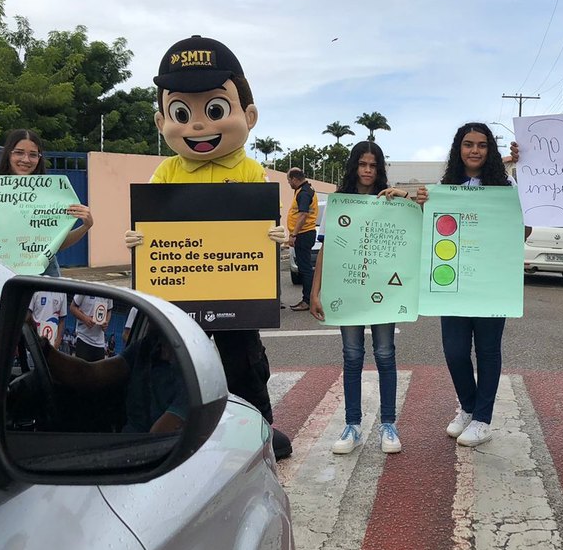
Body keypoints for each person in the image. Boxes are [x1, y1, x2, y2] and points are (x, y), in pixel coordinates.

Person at [123, 35, 292, 460]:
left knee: (245, 365)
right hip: (181, 294)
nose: (198, 125)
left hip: (237, 297)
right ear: (162, 120)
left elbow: (264, 225)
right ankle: (172, 436)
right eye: (182, 112)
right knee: (175, 364)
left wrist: (274, 236)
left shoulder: (251, 171)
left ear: (248, 116)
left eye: (214, 110)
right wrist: (138, 241)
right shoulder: (166, 172)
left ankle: (258, 430)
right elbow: (150, 224)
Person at [416, 123, 524, 448]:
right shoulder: (444, 186)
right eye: (468, 144)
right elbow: (430, 232)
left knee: (488, 351)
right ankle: (468, 406)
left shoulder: (507, 186)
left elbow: (523, 231)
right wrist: (422, 206)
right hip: (455, 283)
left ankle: (482, 419)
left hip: (492, 283)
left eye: (481, 145)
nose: (475, 151)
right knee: (455, 351)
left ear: (490, 149)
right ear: (458, 148)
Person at [309, 141, 417, 454]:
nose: (368, 171)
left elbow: (416, 227)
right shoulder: (340, 202)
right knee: (352, 355)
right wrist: (315, 292)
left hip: (384, 293)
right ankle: (352, 425)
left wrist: (405, 197)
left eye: (373, 165)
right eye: (362, 164)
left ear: (380, 168)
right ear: (354, 166)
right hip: (349, 291)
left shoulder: (392, 201)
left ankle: (388, 424)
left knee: (385, 354)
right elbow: (327, 249)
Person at [39, 321, 187, 434]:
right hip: (126, 445)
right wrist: (45, 349)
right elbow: (90, 374)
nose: (151, 326)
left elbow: (160, 436)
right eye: (151, 321)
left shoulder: (192, 377)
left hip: (147, 457)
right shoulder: (144, 349)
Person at [0, 129, 94, 277]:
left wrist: (86, 226)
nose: (26, 159)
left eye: (33, 155)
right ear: (8, 154)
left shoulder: (52, 194)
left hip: (44, 276)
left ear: (39, 158)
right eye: (19, 152)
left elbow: (57, 245)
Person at [286, 167, 318, 311]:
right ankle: (309, 299)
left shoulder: (304, 193)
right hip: (306, 233)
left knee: (305, 269)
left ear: (294, 179)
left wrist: (294, 235)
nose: (289, 184)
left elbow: (303, 215)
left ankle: (308, 300)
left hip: (303, 234)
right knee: (305, 268)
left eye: (289, 181)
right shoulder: (306, 189)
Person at [70, 294, 113, 362]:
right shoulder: (86, 286)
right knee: (81, 371)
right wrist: (85, 318)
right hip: (83, 338)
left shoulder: (107, 289)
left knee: (98, 372)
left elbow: (109, 310)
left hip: (100, 343)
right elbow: (72, 307)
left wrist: (106, 322)